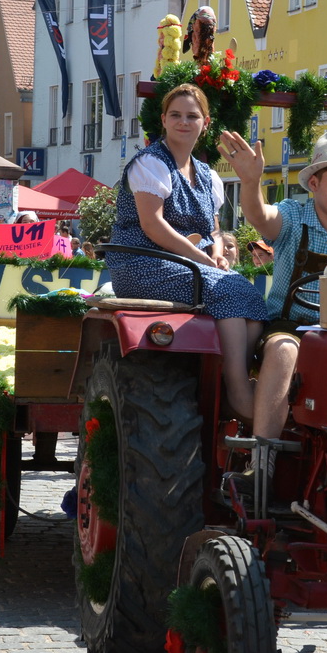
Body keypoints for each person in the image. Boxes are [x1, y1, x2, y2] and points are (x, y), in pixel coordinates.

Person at [219, 128, 327, 446]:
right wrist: (250, 181)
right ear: (313, 184)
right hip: (291, 327)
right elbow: (260, 216)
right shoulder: (293, 215)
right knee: (284, 349)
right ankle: (263, 459)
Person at [105, 86, 269, 420]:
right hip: (142, 263)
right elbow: (153, 226)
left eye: (192, 116)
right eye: (176, 115)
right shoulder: (151, 163)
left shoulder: (208, 175)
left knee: (252, 299)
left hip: (188, 264)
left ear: (205, 123)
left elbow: (213, 231)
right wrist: (201, 258)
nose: (183, 122)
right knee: (228, 290)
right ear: (164, 120)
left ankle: (226, 378)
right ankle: (238, 389)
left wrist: (218, 253)